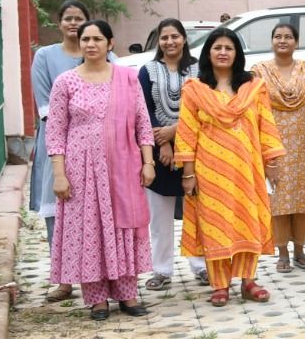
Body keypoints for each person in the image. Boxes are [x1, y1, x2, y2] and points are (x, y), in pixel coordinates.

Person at [46, 20, 155, 320]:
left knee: (123, 229)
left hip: (123, 167)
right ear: (79, 44)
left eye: (97, 39)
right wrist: (59, 174)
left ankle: (128, 295)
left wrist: (148, 162)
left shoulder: (127, 78)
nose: (91, 44)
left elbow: (142, 122)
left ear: (110, 44)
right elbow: (55, 132)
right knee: (90, 231)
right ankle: (97, 300)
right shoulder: (66, 82)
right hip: (81, 171)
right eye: (86, 39)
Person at [175, 27, 284, 307]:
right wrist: (188, 173)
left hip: (247, 169)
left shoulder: (253, 88)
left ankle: (248, 281)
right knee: (215, 224)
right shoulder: (195, 90)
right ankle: (220, 285)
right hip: (209, 171)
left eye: (228, 48)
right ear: (208, 53)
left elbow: (266, 126)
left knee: (248, 220)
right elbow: (186, 133)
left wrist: (272, 162)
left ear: (237, 54)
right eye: (217, 48)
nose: (223, 53)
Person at [31, 0, 97, 303]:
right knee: (57, 208)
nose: (73, 23)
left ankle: (95, 274)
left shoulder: (99, 54)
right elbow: (46, 105)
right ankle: (64, 280)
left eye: (78, 18)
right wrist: (74, 134)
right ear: (59, 23)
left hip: (96, 147)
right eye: (68, 18)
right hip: (56, 144)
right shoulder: (45, 56)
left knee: (94, 210)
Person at [254, 22, 305, 274]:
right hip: (272, 142)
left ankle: (300, 250)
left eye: (288, 37)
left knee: (302, 198)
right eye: (278, 36)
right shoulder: (259, 71)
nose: (282, 40)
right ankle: (282, 252)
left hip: (303, 144)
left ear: (296, 42)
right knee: (277, 198)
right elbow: (253, 106)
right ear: (272, 41)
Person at [138, 18, 204, 290]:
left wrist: (174, 133)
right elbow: (143, 109)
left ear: (184, 38)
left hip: (196, 151)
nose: (170, 42)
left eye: (175, 36)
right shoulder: (148, 71)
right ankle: (162, 270)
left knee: (197, 212)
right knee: (159, 216)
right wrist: (163, 143)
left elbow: (203, 107)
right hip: (159, 154)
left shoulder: (199, 68)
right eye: (164, 37)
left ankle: (201, 266)